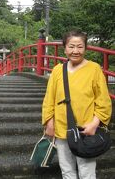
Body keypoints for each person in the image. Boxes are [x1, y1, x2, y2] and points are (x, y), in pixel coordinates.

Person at [42, 30, 112, 179]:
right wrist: (49, 122)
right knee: (67, 170)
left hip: (84, 130)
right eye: (71, 46)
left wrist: (94, 124)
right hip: (62, 128)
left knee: (86, 171)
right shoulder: (57, 71)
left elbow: (103, 100)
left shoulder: (94, 69)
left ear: (85, 48)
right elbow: (49, 99)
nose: (75, 51)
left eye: (80, 47)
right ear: (65, 48)